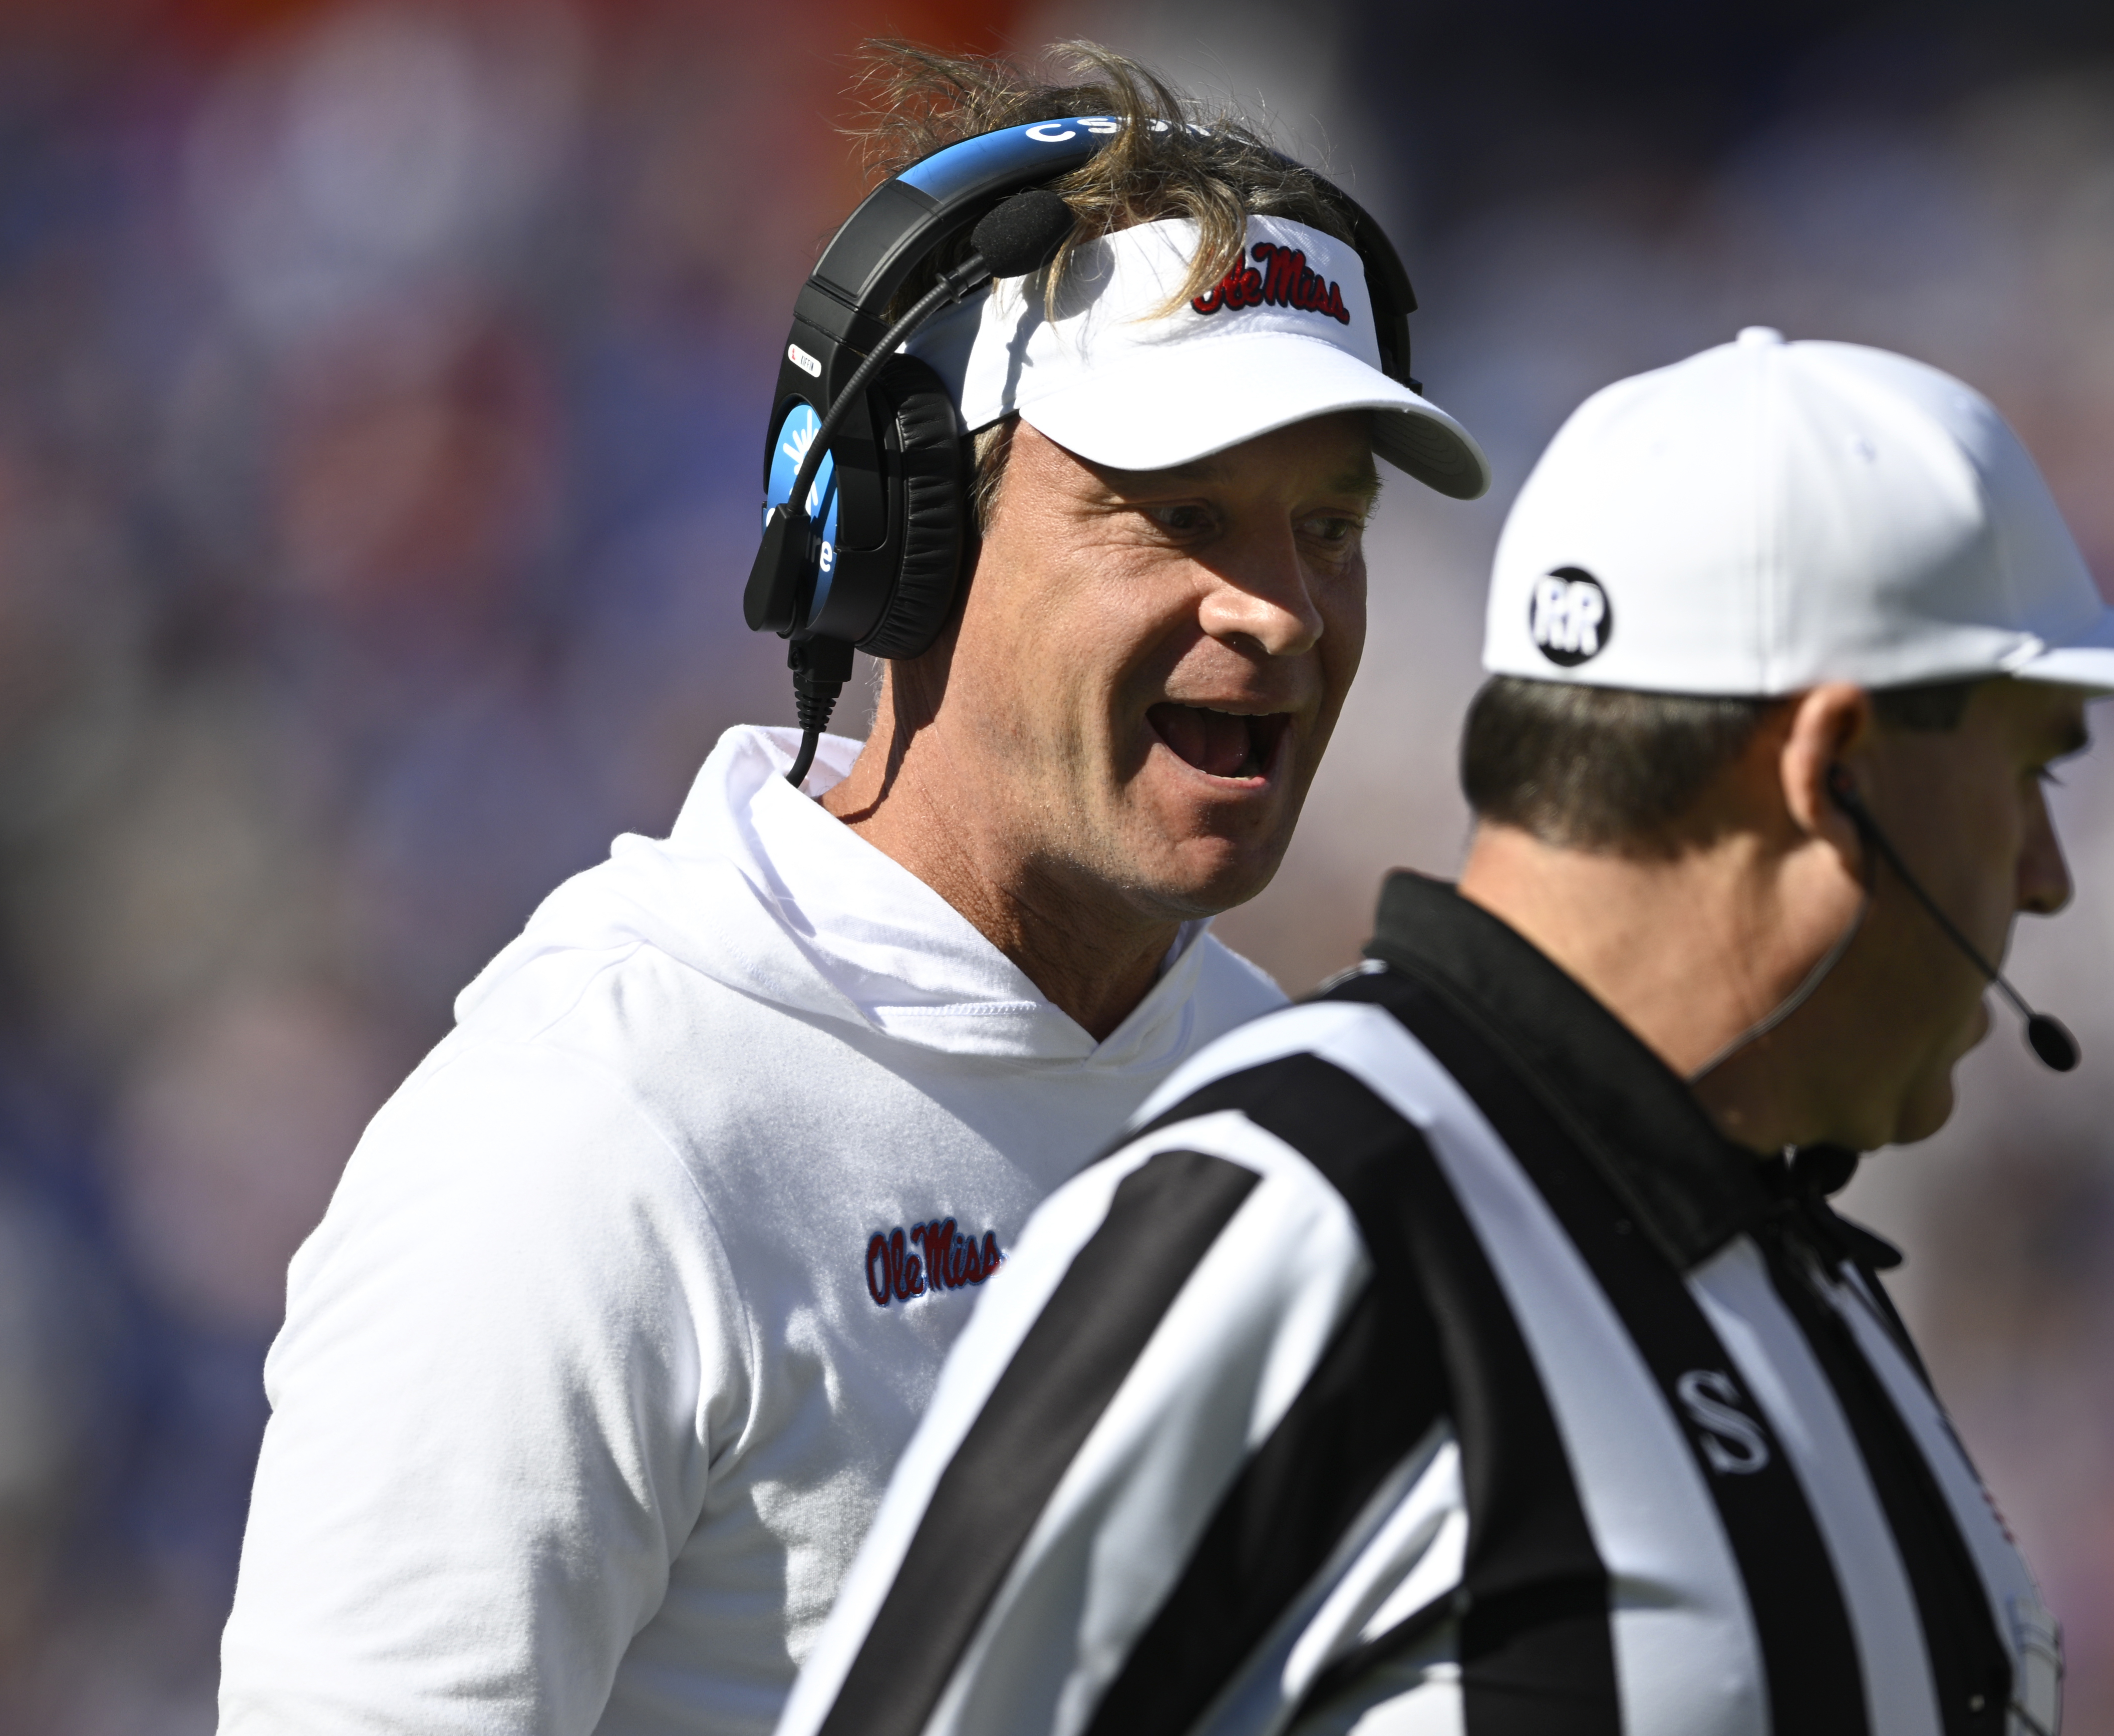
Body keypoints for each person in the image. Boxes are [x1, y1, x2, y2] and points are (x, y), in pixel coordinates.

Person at [215, 46, 1488, 1736]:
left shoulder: (1300, 1109)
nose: (1279, 610)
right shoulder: (600, 1135)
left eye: (1329, 527)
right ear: (903, 535)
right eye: (1176, 514)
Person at [772, 327, 2114, 1736]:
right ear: (1832, 772)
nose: (2047, 871)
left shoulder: (1785, 1261)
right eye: (2033, 771)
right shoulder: (1307, 1210)